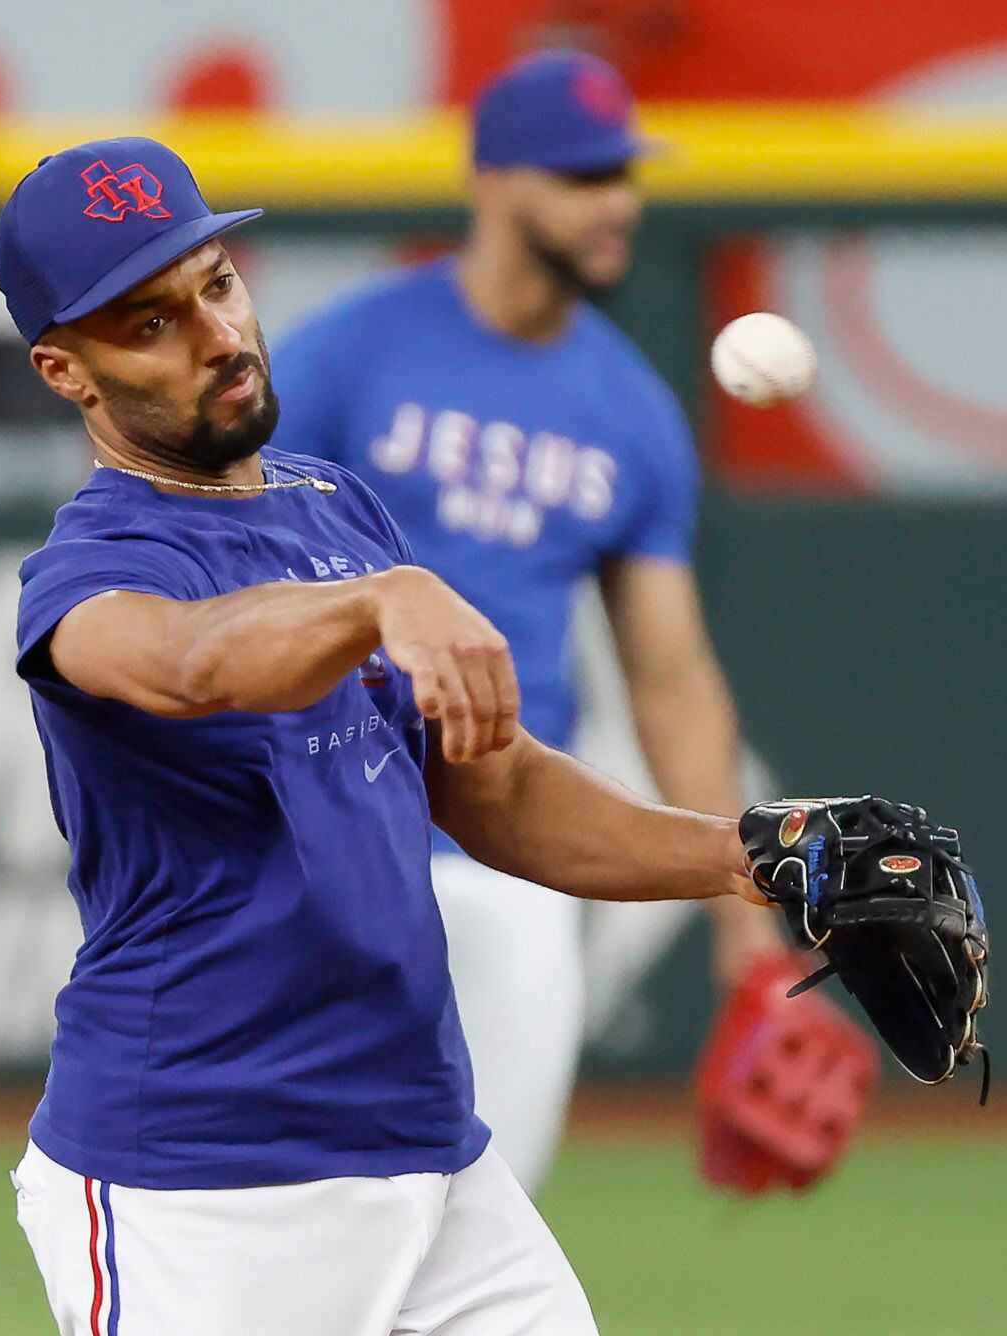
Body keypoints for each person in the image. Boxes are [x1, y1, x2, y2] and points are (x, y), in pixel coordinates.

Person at [0, 134, 779, 1334]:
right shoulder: (89, 569)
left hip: (430, 1157)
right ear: (67, 372)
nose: (213, 333)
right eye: (147, 322)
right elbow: (192, 661)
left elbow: (495, 791)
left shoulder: (333, 505)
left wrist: (754, 852)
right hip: (198, 1185)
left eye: (214, 282)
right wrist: (373, 602)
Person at [268, 49, 780, 1193]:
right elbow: (233, 553)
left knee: (484, 1214)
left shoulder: (631, 412)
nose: (619, 203)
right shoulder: (352, 352)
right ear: (493, 180)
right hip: (342, 834)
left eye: (624, 174)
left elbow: (671, 676)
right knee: (313, 1205)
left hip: (516, 851)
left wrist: (744, 904)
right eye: (583, 175)